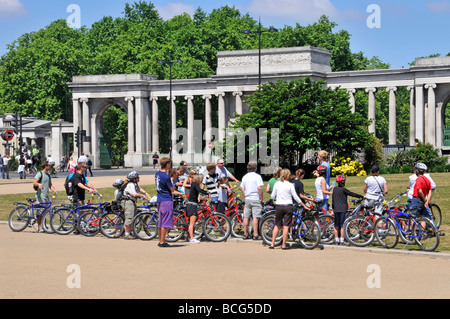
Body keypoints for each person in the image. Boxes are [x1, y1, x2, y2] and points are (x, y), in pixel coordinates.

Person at [270, 168, 309, 249]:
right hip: (288, 206)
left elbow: (273, 195)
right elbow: (296, 197)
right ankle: (283, 245)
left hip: (279, 205)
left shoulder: (277, 184)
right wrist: (303, 205)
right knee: (286, 226)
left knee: (277, 225)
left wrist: (278, 196)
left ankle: (272, 244)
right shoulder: (290, 185)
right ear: (288, 176)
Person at [155, 157, 186, 247]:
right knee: (165, 222)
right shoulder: (166, 176)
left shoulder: (158, 174)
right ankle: (162, 241)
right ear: (167, 164)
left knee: (161, 221)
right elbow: (172, 191)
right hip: (166, 200)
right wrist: (182, 194)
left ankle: (160, 240)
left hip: (160, 199)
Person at [331, 175, 365, 245]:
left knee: (336, 225)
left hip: (336, 209)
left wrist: (333, 208)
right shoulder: (344, 190)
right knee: (342, 225)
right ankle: (342, 240)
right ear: (343, 182)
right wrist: (361, 196)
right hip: (343, 209)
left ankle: (336, 239)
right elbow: (352, 194)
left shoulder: (334, 189)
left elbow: (333, 200)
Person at [121, 171, 150, 240]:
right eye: (137, 177)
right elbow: (134, 194)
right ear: (134, 179)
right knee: (129, 217)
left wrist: (146, 193)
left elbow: (139, 189)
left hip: (132, 201)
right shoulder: (130, 185)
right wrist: (142, 196)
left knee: (133, 216)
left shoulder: (135, 184)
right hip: (128, 202)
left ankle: (130, 232)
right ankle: (127, 234)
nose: (139, 178)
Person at [240, 161, 264, 240]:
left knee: (246, 217)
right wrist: (261, 197)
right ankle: (255, 234)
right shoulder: (257, 176)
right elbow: (259, 188)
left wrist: (245, 195)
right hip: (255, 197)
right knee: (255, 217)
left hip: (248, 198)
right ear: (255, 168)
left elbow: (242, 189)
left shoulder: (245, 177)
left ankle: (245, 233)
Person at [32, 161, 57, 233]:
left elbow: (50, 185)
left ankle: (44, 226)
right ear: (45, 166)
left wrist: (54, 190)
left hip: (46, 196)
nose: (50, 167)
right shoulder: (40, 174)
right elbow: (34, 182)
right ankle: (40, 227)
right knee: (40, 212)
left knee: (45, 212)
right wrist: (39, 184)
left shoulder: (48, 175)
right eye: (49, 165)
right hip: (40, 196)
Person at [185, 174, 209, 244]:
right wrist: (207, 193)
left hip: (191, 204)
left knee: (191, 222)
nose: (202, 181)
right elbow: (200, 190)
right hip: (192, 205)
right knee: (192, 223)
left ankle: (189, 237)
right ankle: (192, 238)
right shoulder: (196, 184)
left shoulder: (193, 184)